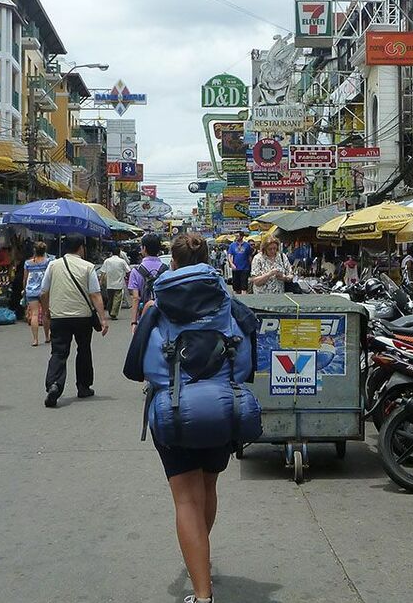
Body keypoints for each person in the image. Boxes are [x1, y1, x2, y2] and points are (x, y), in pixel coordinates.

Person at [123, 233, 255, 603]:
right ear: (209, 259)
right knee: (208, 488)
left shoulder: (156, 306)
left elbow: (134, 368)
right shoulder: (228, 301)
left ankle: (201, 594)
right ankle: (202, 559)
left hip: (175, 411)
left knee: (185, 501)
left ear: (174, 263)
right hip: (223, 408)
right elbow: (252, 352)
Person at [41, 234, 109, 408]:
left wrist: (46, 311)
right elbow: (95, 294)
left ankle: (54, 384)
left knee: (58, 352)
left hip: (59, 317)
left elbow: (43, 291)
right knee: (84, 350)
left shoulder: (53, 265)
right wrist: (103, 318)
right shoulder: (88, 267)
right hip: (82, 317)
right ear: (81, 247)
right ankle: (83, 386)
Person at [128, 234, 167, 330]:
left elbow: (136, 298)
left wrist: (134, 322)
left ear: (144, 248)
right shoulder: (166, 269)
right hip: (164, 316)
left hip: (144, 317)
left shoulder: (136, 271)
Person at [23, 242, 52, 346]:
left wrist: (24, 289)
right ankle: (47, 336)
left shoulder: (28, 263)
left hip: (31, 290)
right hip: (44, 290)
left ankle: (35, 339)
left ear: (34, 250)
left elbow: (25, 278)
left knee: (34, 314)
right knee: (45, 313)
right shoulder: (48, 262)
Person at [100, 248, 130, 320]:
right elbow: (128, 270)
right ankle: (113, 313)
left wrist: (101, 282)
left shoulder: (107, 261)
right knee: (117, 299)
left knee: (110, 299)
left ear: (111, 253)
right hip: (118, 283)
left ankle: (110, 311)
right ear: (119, 253)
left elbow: (103, 272)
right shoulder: (122, 261)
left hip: (109, 284)